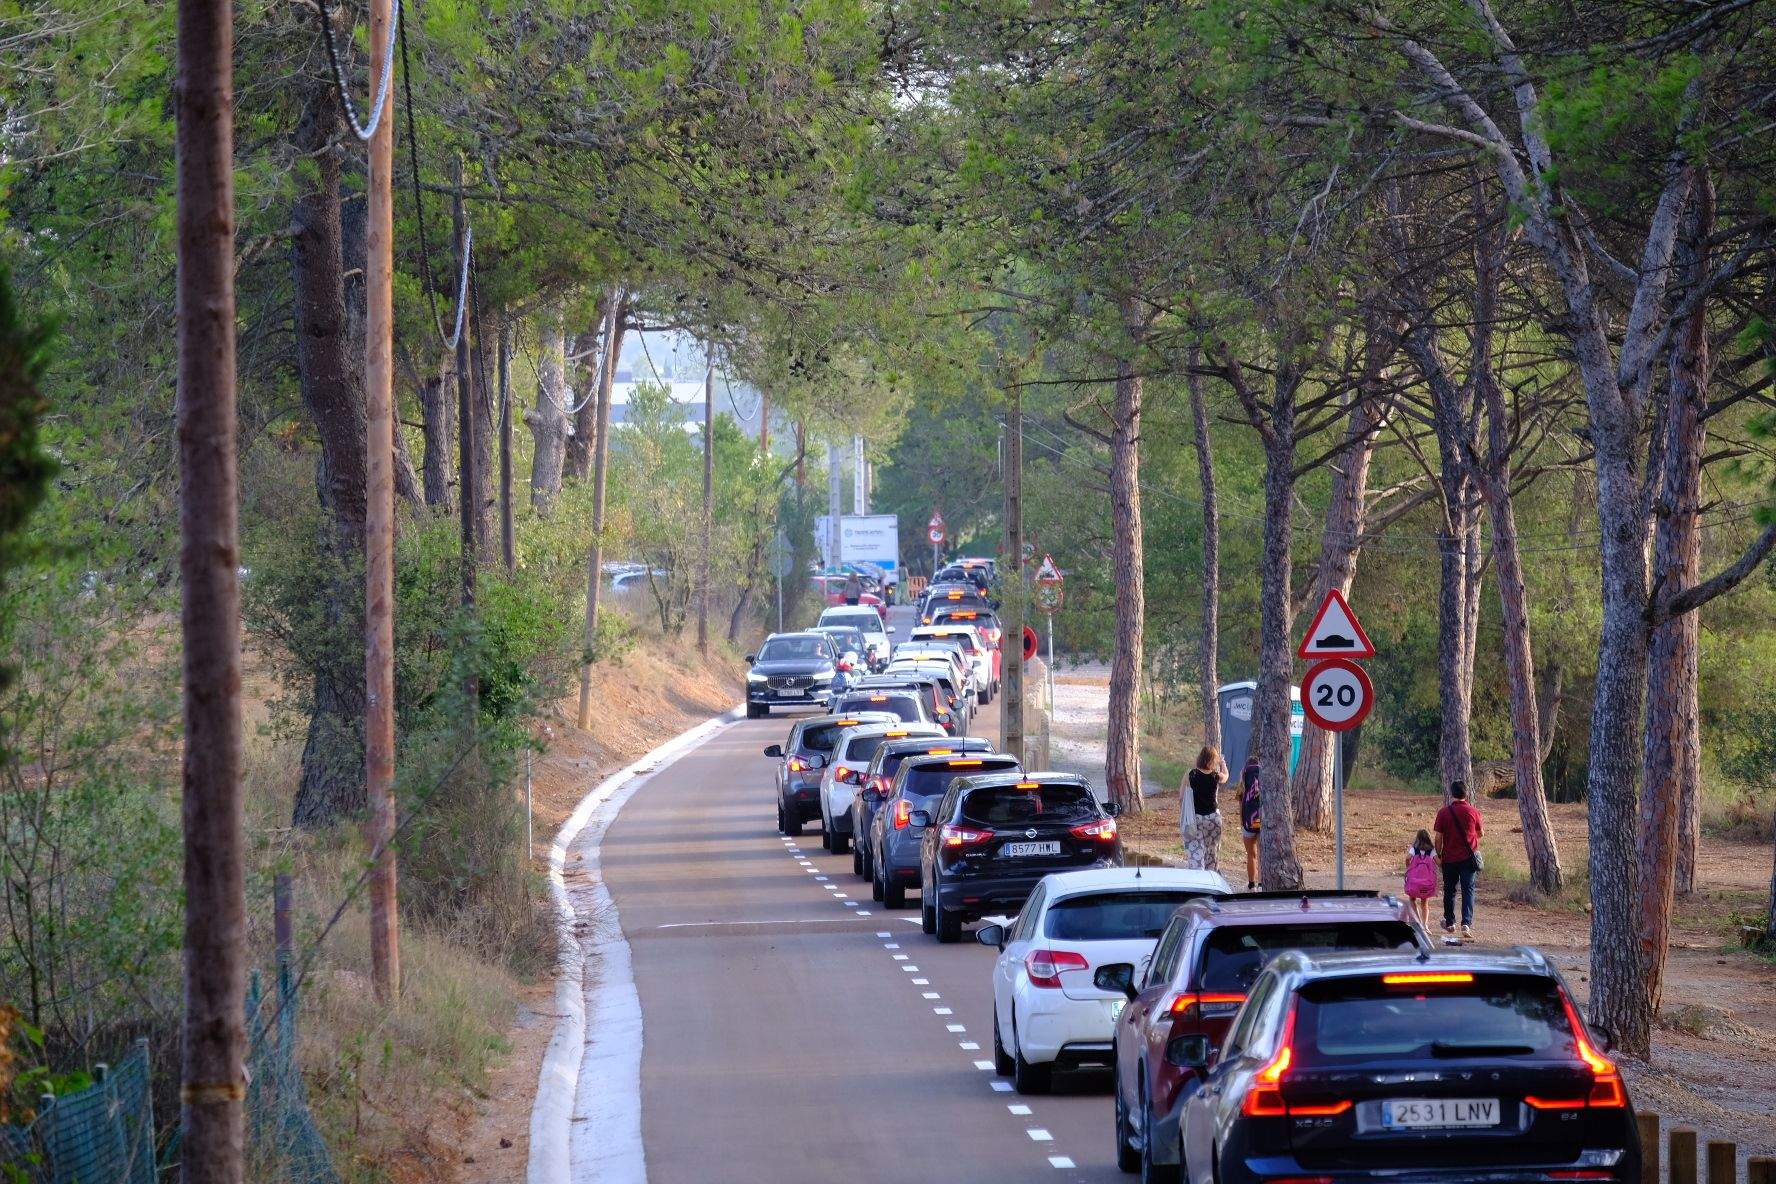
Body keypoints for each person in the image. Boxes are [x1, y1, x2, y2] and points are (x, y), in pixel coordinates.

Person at [1432, 780, 1483, 939]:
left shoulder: (1443, 813)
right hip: (1468, 858)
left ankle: (1450, 922)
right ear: (1466, 794)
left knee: (1450, 890)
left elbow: (1438, 837)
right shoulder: (1473, 812)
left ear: (1451, 794)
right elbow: (1480, 833)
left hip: (1449, 858)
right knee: (1468, 890)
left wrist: (1438, 855)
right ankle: (1466, 923)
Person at [1180, 745, 1228, 873]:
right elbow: (1226, 776)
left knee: (1195, 852)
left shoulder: (1191, 774)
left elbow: (1181, 797)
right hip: (1213, 819)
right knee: (1211, 853)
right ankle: (1210, 878)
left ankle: (1198, 878)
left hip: (1194, 819)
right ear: (1213, 760)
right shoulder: (1215, 776)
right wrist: (1223, 764)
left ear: (1200, 758)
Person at [1403, 829, 1438, 929]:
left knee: (1412, 899)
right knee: (1424, 902)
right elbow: (1438, 862)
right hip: (1426, 881)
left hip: (1414, 880)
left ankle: (1417, 921)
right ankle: (1424, 924)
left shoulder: (1414, 849)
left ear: (1417, 839)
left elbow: (1407, 858)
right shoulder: (1431, 851)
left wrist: (1408, 867)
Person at [1238, 754, 1262, 890]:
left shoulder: (1243, 775)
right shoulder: (1265, 774)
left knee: (1251, 854)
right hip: (1262, 819)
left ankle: (1252, 884)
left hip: (1248, 819)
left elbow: (1240, 800)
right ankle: (1262, 884)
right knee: (1262, 854)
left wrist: (1242, 820)